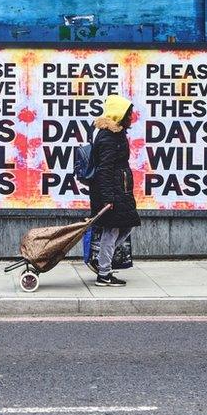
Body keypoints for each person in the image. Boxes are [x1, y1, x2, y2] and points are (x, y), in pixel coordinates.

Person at [89, 95, 141, 287]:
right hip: (112, 192)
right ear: (121, 115)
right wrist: (108, 198)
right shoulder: (109, 137)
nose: (132, 116)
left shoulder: (116, 133)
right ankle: (103, 273)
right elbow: (104, 169)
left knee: (126, 226)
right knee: (112, 230)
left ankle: (102, 258)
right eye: (129, 113)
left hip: (121, 189)